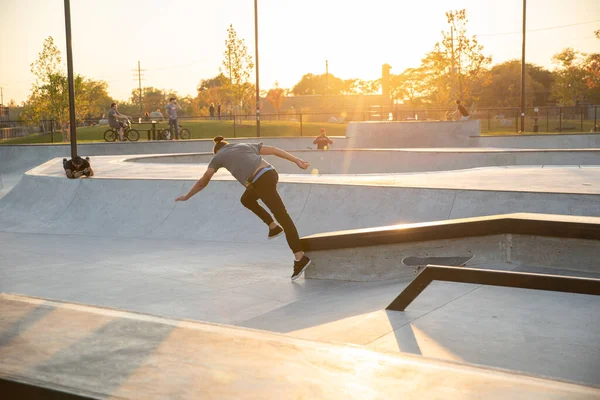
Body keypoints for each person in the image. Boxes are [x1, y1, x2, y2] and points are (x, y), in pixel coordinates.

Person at [174, 136, 313, 281]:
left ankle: (299, 256)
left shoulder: (218, 157)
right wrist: (296, 160)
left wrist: (187, 196)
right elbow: (273, 150)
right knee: (246, 199)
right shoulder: (243, 145)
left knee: (282, 216)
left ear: (217, 152)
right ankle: (273, 227)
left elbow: (204, 180)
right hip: (270, 173)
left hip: (260, 181)